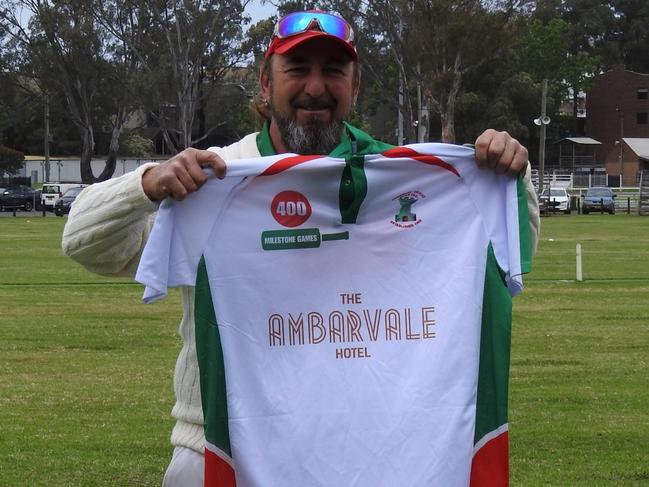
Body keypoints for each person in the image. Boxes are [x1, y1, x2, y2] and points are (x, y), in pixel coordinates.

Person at [62, 9, 540, 487]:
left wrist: (506, 178)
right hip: (220, 448)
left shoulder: (400, 176)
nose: (315, 87)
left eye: (333, 71)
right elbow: (87, 244)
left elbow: (504, 253)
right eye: (297, 69)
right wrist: (145, 184)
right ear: (266, 85)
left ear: (355, 88)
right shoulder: (216, 179)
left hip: (372, 449)